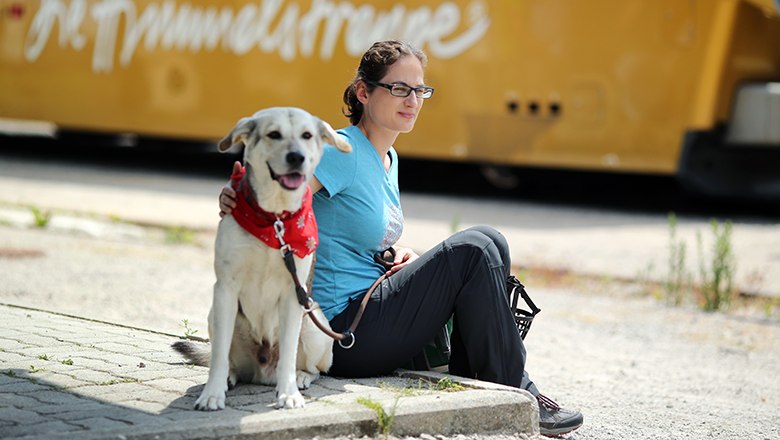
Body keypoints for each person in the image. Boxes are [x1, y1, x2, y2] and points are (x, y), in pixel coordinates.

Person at [219, 40, 583, 437]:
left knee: (490, 240)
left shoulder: (389, 158)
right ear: (364, 92)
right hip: (342, 331)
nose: (412, 99)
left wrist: (393, 251)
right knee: (474, 250)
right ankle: (519, 391)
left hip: (374, 303)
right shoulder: (343, 151)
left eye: (420, 90)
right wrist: (237, 197)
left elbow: (355, 230)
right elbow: (278, 193)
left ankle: (479, 375)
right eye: (399, 88)